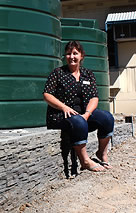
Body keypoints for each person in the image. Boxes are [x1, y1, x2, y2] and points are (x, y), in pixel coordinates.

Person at [43, 41, 114, 172]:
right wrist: (64, 107)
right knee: (79, 122)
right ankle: (85, 161)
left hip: (83, 114)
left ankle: (102, 153)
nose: (72, 56)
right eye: (68, 54)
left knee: (107, 118)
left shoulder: (88, 74)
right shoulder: (58, 73)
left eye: (75, 53)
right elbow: (47, 94)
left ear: (81, 56)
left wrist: (87, 114)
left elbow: (94, 97)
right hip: (61, 115)